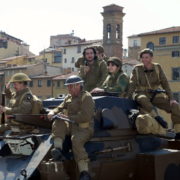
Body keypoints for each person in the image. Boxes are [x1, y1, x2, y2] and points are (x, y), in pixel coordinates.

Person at [48, 75, 95, 180]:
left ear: (78, 85)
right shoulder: (68, 97)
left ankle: (84, 172)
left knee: (76, 141)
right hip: (71, 126)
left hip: (84, 128)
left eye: (70, 86)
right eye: (68, 86)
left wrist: (68, 117)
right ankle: (58, 150)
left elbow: (85, 116)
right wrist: (53, 112)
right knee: (58, 120)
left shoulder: (86, 97)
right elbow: (60, 107)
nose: (68, 88)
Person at [127, 48, 180, 138]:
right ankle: (157, 118)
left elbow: (165, 83)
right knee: (142, 99)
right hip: (141, 93)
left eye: (146, 57)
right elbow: (132, 84)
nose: (144, 59)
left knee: (175, 106)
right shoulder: (137, 69)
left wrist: (171, 98)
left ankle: (178, 132)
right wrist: (128, 99)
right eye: (142, 57)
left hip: (155, 94)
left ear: (152, 58)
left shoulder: (157, 67)